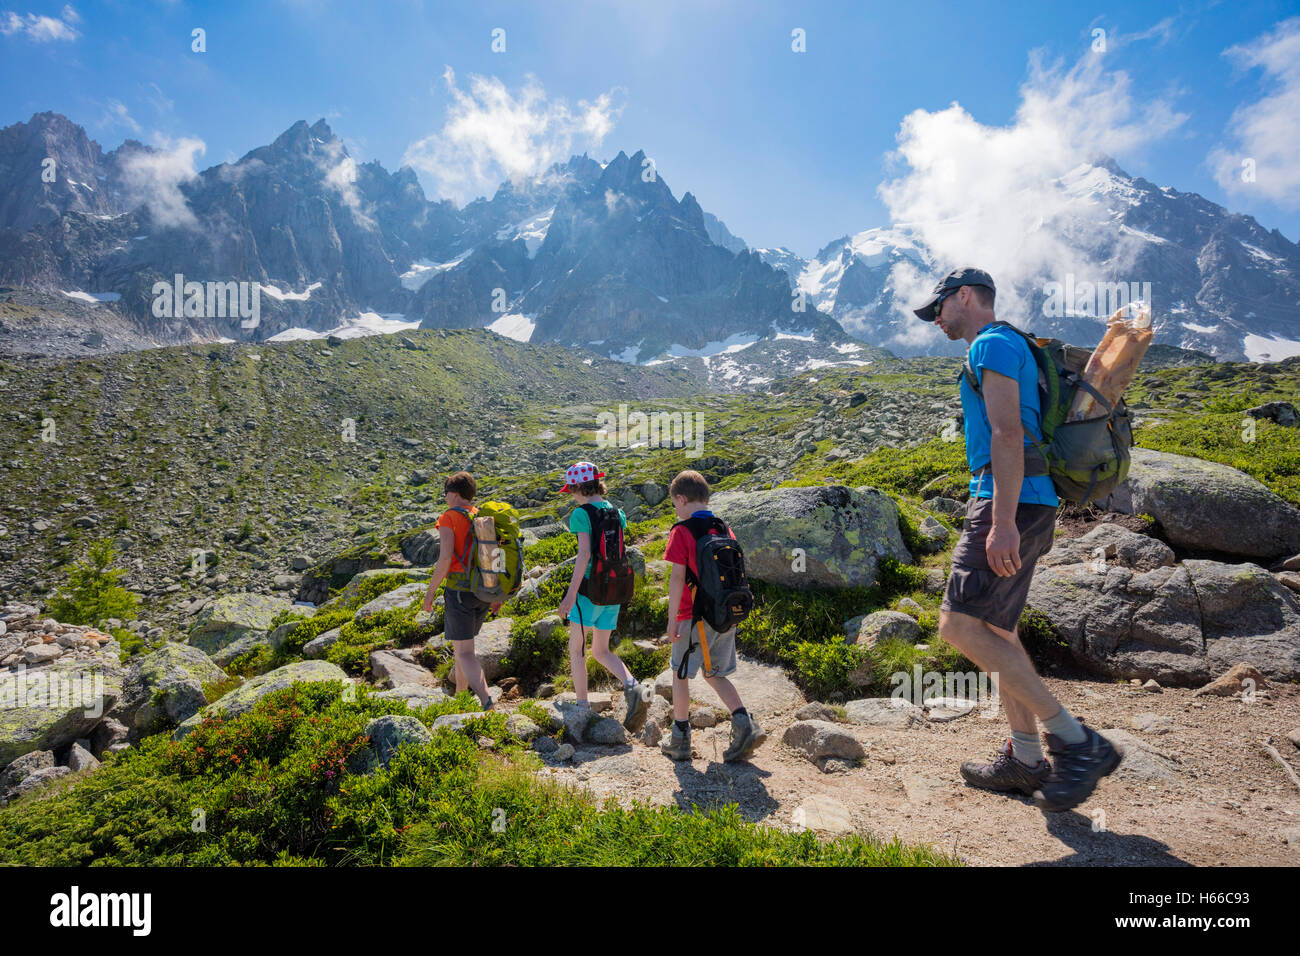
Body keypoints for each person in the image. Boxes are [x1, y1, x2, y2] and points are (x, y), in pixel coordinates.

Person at [913, 267, 1120, 812]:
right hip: (1029, 498)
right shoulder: (1010, 344)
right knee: (997, 632)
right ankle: (1026, 759)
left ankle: (1077, 742)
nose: (935, 320)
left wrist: (1001, 520)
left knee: (956, 624)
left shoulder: (992, 344)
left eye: (938, 308)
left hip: (1010, 500)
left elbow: (1007, 432)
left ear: (964, 297)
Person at [660, 469, 765, 763]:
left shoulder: (681, 531)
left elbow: (677, 579)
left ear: (681, 499)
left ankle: (679, 739)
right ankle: (745, 722)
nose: (676, 510)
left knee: (681, 674)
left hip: (692, 616)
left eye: (674, 504)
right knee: (713, 673)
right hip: (725, 614)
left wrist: (672, 621)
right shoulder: (724, 528)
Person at [556, 462, 649, 732]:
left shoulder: (580, 514)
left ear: (578, 488)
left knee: (577, 649)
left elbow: (584, 555)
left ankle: (583, 706)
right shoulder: (616, 512)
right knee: (601, 650)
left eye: (571, 490)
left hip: (589, 590)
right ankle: (634, 687)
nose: (571, 495)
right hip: (613, 589)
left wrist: (570, 596)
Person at [420, 470, 497, 711]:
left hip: (459, 592)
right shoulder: (482, 516)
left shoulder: (448, 518)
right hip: (483, 591)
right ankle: (461, 697)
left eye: (446, 494)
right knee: (461, 646)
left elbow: (444, 559)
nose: (445, 499)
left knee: (465, 653)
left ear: (453, 495)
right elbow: (496, 556)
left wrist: (430, 592)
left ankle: (487, 701)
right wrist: (496, 594)